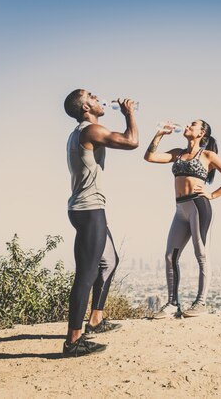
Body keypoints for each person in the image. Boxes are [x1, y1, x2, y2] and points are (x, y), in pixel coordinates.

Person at [62, 89, 139, 357]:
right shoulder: (90, 130)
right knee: (86, 274)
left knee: (110, 261)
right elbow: (131, 142)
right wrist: (129, 113)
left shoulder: (79, 133)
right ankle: (73, 341)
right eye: (92, 96)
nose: (98, 98)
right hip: (90, 210)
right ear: (85, 107)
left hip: (87, 209)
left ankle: (95, 318)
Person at [144, 119, 221, 318]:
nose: (187, 126)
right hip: (180, 210)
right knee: (170, 256)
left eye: (192, 124)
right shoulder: (178, 153)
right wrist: (159, 135)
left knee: (201, 255)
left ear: (202, 133)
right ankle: (172, 304)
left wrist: (212, 195)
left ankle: (200, 303)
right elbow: (150, 157)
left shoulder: (208, 155)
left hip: (198, 207)